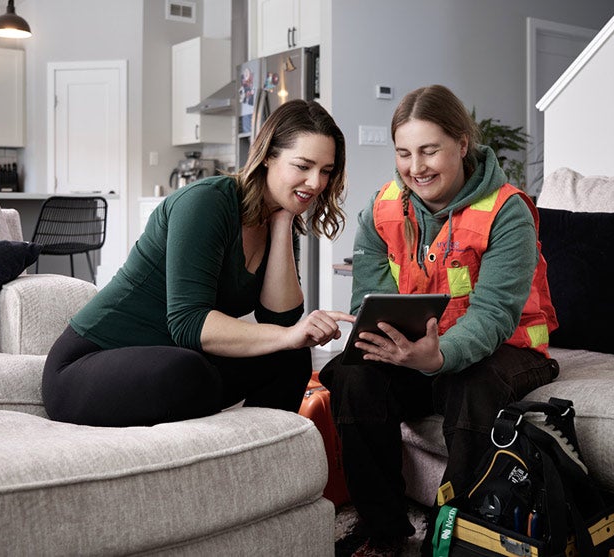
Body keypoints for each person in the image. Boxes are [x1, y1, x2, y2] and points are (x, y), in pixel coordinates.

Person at [319, 85, 560, 557]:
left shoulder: (507, 210)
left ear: (463, 144)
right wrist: (387, 345)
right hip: (421, 349)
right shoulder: (384, 207)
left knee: (469, 385)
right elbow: (372, 298)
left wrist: (439, 356)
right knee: (352, 374)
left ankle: (456, 534)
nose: (416, 167)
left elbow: (492, 314)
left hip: (508, 350)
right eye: (404, 153)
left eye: (430, 151)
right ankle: (382, 530)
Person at [43, 99, 354, 428]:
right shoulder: (207, 202)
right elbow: (188, 323)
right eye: (303, 166)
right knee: (189, 371)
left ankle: (260, 452)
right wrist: (288, 334)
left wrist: (282, 224)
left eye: (326, 171)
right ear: (267, 158)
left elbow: (280, 318)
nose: (316, 183)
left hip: (173, 358)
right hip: (88, 365)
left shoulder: (275, 217)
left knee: (290, 356)